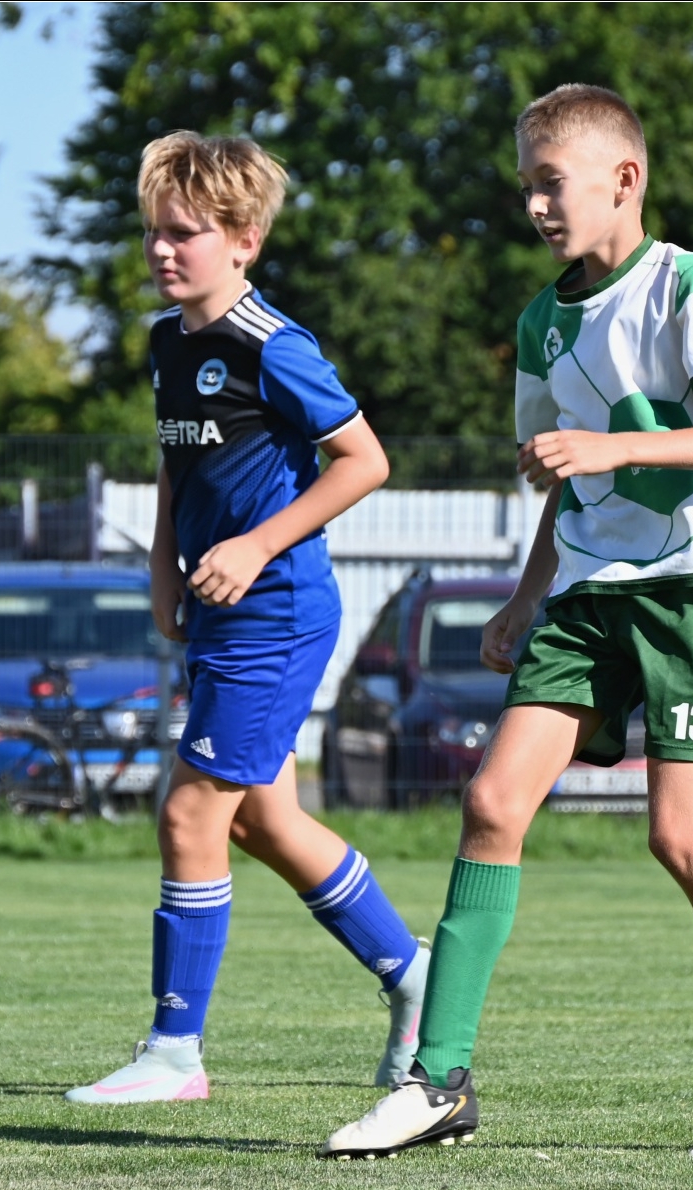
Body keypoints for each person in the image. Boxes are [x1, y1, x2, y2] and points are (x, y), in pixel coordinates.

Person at [319, 85, 693, 1159]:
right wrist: (525, 593)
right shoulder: (541, 324)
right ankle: (438, 1081)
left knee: (680, 836)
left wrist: (613, 447)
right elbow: (564, 479)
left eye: (552, 182)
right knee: (492, 800)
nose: (537, 205)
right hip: (588, 594)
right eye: (526, 187)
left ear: (623, 179)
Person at [67, 132, 428, 1105]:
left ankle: (174, 1052)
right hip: (219, 614)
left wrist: (255, 546)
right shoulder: (167, 341)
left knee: (190, 813)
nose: (162, 249)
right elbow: (176, 463)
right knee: (265, 821)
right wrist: (162, 568)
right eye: (154, 230)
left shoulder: (273, 343)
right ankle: (414, 976)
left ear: (244, 240)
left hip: (276, 612)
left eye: (184, 232)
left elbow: (365, 460)